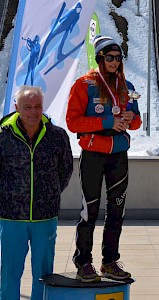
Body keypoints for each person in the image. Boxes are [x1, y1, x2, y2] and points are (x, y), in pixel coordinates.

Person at [66, 35, 142, 282]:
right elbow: (72, 121)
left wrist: (132, 118)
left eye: (118, 58)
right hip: (93, 154)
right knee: (90, 210)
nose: (114, 62)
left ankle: (109, 262)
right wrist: (107, 122)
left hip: (119, 154)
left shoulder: (126, 85)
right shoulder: (83, 84)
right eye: (109, 57)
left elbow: (137, 121)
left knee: (117, 210)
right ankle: (83, 262)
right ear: (100, 58)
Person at [0, 85, 73, 300]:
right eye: (27, 107)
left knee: (43, 274)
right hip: (11, 217)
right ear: (16, 107)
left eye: (38, 106)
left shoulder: (57, 136)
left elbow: (65, 170)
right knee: (10, 272)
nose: (33, 112)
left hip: (45, 216)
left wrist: (49, 194)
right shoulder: (3, 137)